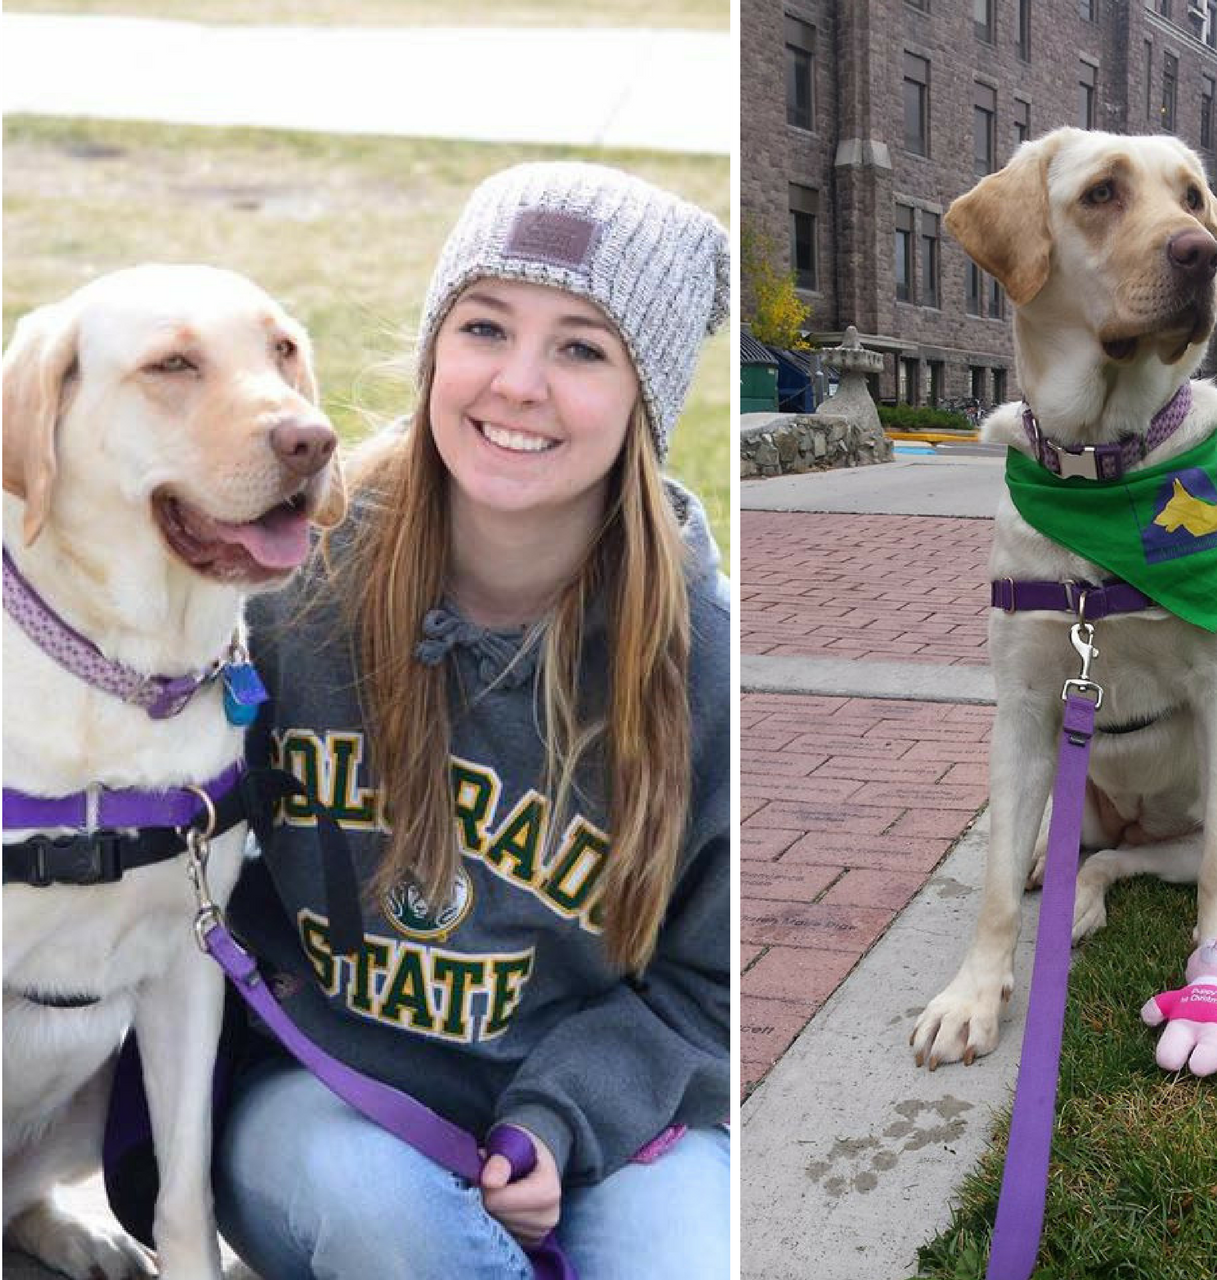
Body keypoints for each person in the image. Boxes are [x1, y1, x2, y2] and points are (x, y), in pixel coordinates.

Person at [213, 161, 731, 1280]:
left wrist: (559, 1112)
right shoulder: (287, 584)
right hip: (320, 1091)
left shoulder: (699, 654)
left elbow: (711, 984)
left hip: (609, 1104)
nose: (518, 384)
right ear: (434, 352)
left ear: (648, 399)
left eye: (583, 348)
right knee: (387, 1219)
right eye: (485, 326)